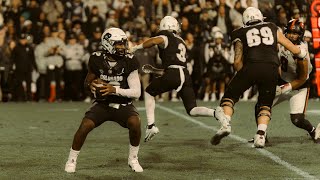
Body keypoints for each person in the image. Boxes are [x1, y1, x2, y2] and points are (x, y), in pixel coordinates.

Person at [210, 7, 307, 148]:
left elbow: (237, 62)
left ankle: (226, 124)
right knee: (265, 105)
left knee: (229, 98)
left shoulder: (239, 32)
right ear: (260, 17)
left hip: (251, 66)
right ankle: (261, 135)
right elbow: (294, 49)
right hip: (271, 68)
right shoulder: (272, 27)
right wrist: (301, 51)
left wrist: (245, 76)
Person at [65, 27, 143, 173]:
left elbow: (137, 92)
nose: (122, 47)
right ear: (107, 44)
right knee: (84, 126)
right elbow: (86, 83)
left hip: (123, 104)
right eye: (118, 44)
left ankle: (133, 159)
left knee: (135, 123)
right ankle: (71, 160)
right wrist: (92, 86)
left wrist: (114, 90)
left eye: (123, 43)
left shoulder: (130, 61)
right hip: (103, 103)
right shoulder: (96, 58)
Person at [129, 16, 216, 142]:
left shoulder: (165, 36)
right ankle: (215, 113)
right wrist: (155, 70)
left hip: (174, 73)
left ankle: (151, 125)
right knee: (192, 109)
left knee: (148, 92)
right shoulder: (181, 40)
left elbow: (154, 41)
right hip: (184, 75)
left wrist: (136, 48)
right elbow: (174, 65)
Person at [250, 19, 320, 143]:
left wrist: (284, 88)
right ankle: (262, 135)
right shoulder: (282, 41)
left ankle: (313, 131)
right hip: (282, 81)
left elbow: (302, 78)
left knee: (297, 120)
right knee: (260, 106)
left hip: (299, 87)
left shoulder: (301, 51)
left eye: (296, 33)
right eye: (291, 32)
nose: (292, 36)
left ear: (301, 35)